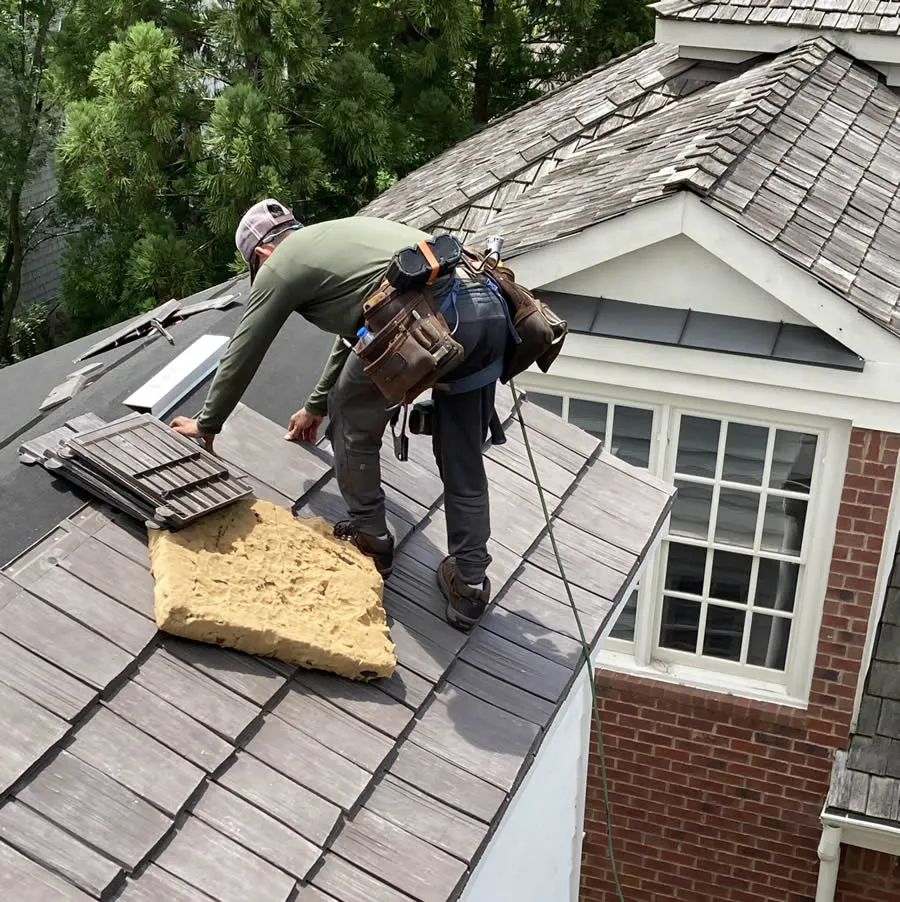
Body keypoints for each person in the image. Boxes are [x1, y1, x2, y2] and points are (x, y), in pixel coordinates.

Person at [170, 198, 509, 630]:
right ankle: (470, 585)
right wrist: (314, 404)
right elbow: (360, 330)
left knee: (349, 416)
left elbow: (246, 347)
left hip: (428, 318)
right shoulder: (339, 237)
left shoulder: (280, 264)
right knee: (463, 458)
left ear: (260, 254)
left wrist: (206, 423)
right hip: (485, 306)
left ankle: (371, 536)